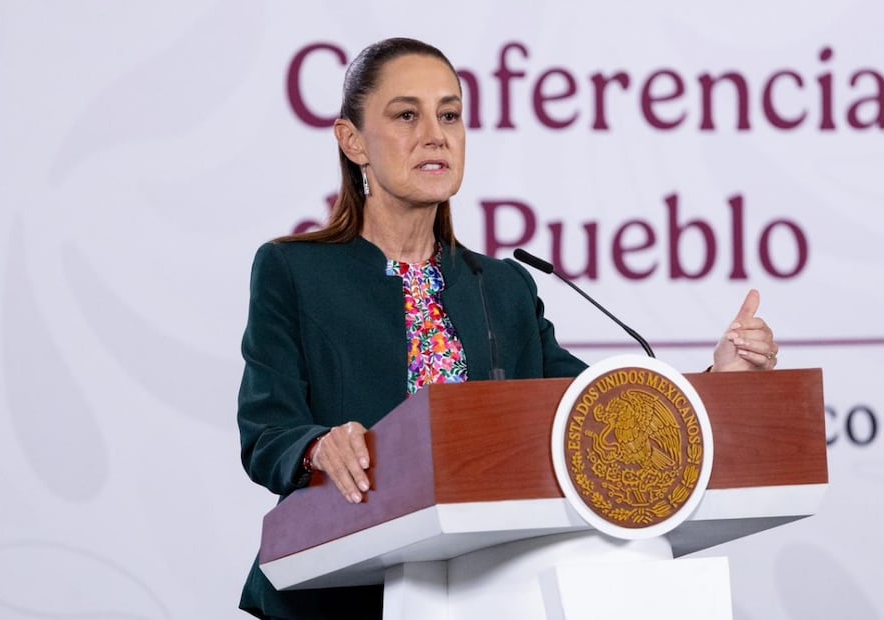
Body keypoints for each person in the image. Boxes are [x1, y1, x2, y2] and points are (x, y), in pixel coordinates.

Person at [236, 37, 779, 620]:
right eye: (405, 115)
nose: (435, 134)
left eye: (449, 114)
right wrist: (318, 446)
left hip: (489, 590)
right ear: (352, 140)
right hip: (342, 590)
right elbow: (267, 431)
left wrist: (720, 379)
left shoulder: (503, 287)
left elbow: (593, 414)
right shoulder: (295, 271)